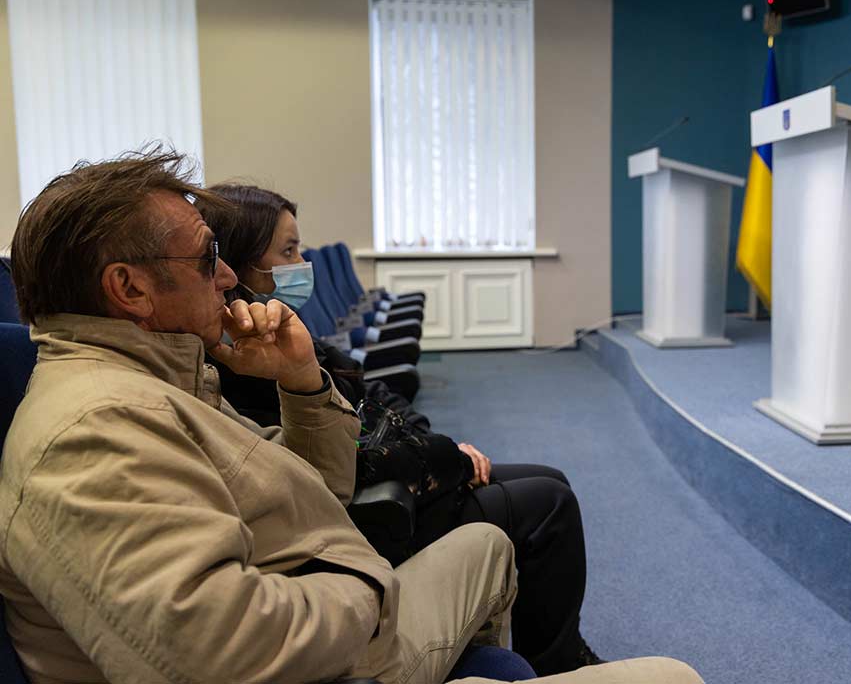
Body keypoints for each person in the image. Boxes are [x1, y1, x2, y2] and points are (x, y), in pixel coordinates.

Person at [0, 149, 702, 684]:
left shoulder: (164, 380)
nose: (225, 276)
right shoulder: (90, 433)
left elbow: (319, 489)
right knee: (676, 676)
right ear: (129, 289)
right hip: (322, 654)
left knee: (489, 543)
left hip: (323, 611)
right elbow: (212, 650)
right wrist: (366, 578)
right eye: (208, 255)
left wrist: (304, 383)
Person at [200, 183, 603, 676]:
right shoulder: (239, 359)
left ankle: (561, 645)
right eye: (288, 251)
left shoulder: (286, 325)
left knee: (551, 479)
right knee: (549, 504)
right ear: (238, 266)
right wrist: (447, 457)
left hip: (401, 471)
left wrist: (436, 443)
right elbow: (337, 468)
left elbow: (367, 390)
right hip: (375, 511)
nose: (302, 264)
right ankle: (558, 665)